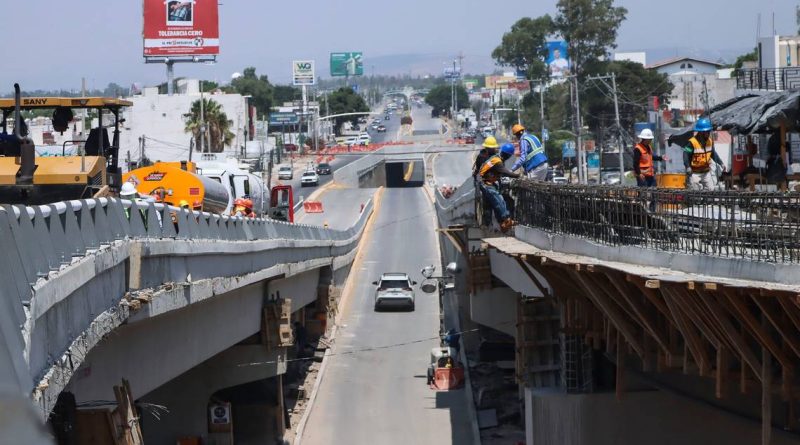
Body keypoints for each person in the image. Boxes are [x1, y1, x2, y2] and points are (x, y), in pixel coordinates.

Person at [479, 143, 520, 233]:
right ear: (508, 155)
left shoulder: (496, 158)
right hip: (487, 184)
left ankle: (501, 223)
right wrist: (518, 176)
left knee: (495, 203)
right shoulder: (497, 161)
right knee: (498, 200)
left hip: (487, 183)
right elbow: (505, 172)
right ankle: (506, 220)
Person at [683, 117, 725, 190]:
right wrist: (688, 167)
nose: (708, 133)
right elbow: (685, 154)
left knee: (711, 189)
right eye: (707, 132)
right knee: (694, 190)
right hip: (694, 172)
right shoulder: (692, 142)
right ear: (701, 132)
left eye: (709, 131)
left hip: (706, 171)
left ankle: (706, 201)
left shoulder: (710, 141)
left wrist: (721, 163)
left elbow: (713, 154)